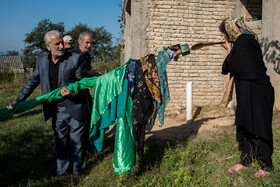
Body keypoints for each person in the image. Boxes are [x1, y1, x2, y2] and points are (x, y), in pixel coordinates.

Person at [7, 30, 89, 178]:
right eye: (56, 43)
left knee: (78, 143)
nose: (61, 46)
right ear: (47, 46)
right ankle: (62, 173)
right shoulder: (41, 61)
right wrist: (19, 100)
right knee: (60, 142)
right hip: (56, 110)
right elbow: (32, 82)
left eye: (61, 43)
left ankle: (79, 174)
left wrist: (72, 93)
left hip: (74, 107)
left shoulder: (75, 59)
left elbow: (83, 84)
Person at [219, 17, 275, 176]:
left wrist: (229, 50)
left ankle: (266, 166)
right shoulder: (247, 41)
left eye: (225, 33)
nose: (226, 37)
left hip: (258, 92)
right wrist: (231, 50)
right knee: (246, 125)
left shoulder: (244, 42)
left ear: (230, 30)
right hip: (248, 91)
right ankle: (246, 160)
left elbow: (230, 66)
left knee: (260, 127)